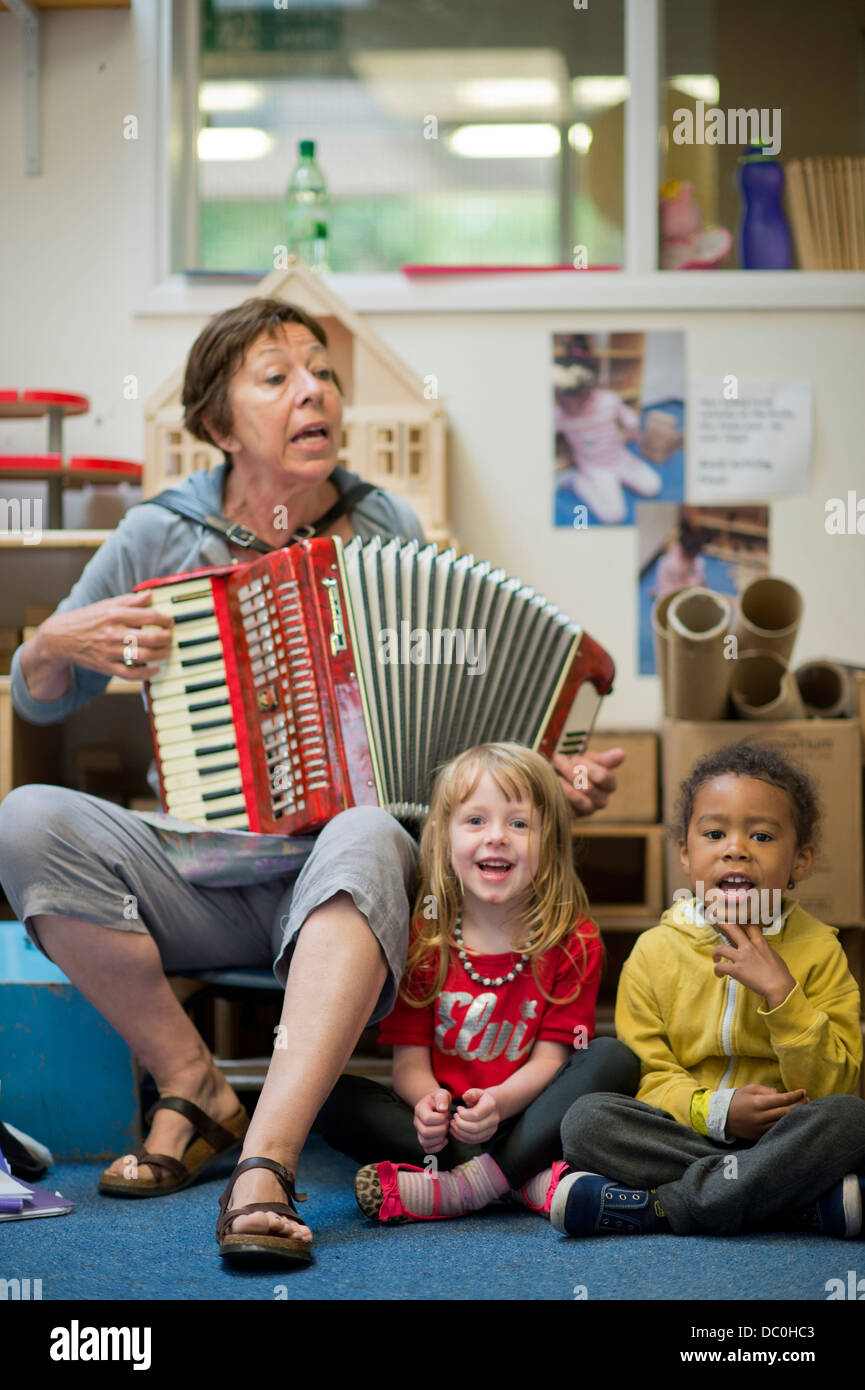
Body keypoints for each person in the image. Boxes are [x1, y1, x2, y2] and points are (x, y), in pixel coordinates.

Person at [0, 298, 624, 1268]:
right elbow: (39, 701)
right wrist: (49, 641)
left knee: (374, 827)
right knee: (25, 820)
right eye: (277, 374)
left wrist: (543, 776)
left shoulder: (385, 523)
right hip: (200, 872)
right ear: (217, 422)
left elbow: (454, 713)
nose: (313, 391)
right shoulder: (159, 535)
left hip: (348, 887)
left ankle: (266, 1161)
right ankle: (192, 1084)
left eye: (323, 372)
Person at [553, 742, 865, 1240]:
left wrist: (783, 994)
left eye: (761, 835)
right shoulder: (654, 953)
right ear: (686, 853)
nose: (736, 847)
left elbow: (837, 1085)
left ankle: (660, 1208)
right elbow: (650, 1077)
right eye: (715, 833)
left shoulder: (822, 953)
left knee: (852, 1120)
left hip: (785, 1138)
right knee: (586, 1121)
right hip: (685, 1136)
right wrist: (718, 1111)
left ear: (800, 860)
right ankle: (785, 1205)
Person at [317, 742, 640, 1224]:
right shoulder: (423, 938)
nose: (496, 837)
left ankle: (464, 1188)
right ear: (444, 840)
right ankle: (522, 1180)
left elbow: (552, 1061)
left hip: (527, 1115)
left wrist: (498, 1104)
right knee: (331, 1098)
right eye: (475, 821)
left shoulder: (575, 939)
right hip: (449, 1130)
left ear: (548, 841)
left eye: (519, 823)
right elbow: (408, 1066)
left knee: (614, 1059)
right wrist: (428, 1104)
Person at [553, 338, 662, 526]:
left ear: (587, 391)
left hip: (619, 458)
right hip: (596, 467)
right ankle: (576, 481)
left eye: (571, 396)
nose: (566, 403)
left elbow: (630, 421)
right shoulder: (558, 414)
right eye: (560, 395)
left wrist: (633, 432)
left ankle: (615, 480)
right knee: (613, 516)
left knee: (653, 486)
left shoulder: (608, 401)